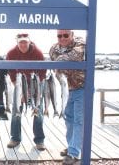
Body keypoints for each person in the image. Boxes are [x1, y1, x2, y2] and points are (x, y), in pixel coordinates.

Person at [49, 29, 85, 165]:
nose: (62, 38)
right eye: (59, 35)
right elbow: (56, 68)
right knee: (68, 119)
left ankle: (73, 153)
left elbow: (76, 55)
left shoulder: (80, 43)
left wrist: (61, 60)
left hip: (82, 88)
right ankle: (72, 146)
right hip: (66, 90)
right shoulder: (53, 48)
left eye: (65, 35)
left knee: (79, 120)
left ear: (72, 34)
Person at [6, 32, 47, 151]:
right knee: (16, 113)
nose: (23, 44)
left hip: (36, 85)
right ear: (17, 42)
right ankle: (15, 138)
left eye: (25, 42)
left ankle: (39, 140)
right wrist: (21, 92)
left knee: (38, 113)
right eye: (21, 42)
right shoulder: (11, 53)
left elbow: (43, 73)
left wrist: (32, 92)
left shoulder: (37, 53)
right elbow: (12, 73)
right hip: (19, 85)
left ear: (29, 41)